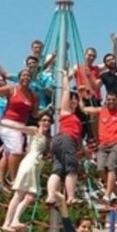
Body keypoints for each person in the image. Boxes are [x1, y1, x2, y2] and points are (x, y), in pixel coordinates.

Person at [0, 63, 38, 184]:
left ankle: (1, 181)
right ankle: (14, 179)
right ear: (19, 78)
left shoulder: (33, 96)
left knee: (9, 153)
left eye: (28, 75)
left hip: (21, 126)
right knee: (16, 151)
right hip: (8, 123)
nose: (26, 77)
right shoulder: (12, 89)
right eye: (23, 75)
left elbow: (34, 114)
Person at [0, 111, 53, 232]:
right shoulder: (34, 131)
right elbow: (19, 127)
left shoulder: (47, 138)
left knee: (28, 196)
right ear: (39, 122)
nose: (46, 123)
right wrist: (2, 124)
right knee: (21, 195)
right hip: (30, 163)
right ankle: (10, 222)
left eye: (49, 121)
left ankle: (11, 222)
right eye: (44, 120)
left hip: (36, 166)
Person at [45, 72, 82, 205]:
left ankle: (50, 197)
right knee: (72, 168)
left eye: (76, 99)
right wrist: (66, 78)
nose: (74, 101)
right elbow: (66, 91)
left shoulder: (72, 115)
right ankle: (71, 197)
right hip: (66, 138)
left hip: (60, 140)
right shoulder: (65, 111)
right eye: (72, 98)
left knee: (58, 169)